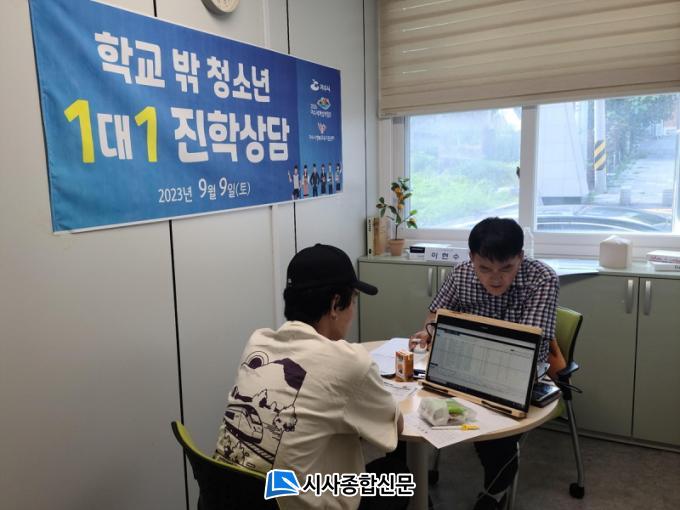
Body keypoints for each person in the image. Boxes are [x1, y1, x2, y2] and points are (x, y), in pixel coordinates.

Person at [215, 244, 407, 510]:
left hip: (229, 497)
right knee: (397, 477)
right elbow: (395, 427)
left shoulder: (258, 342)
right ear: (335, 304)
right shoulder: (349, 361)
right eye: (353, 300)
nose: (353, 311)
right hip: (291, 500)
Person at [410, 217, 559, 510]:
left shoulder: (542, 279)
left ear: (520, 257)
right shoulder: (461, 274)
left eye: (506, 268)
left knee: (496, 437)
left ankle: (494, 493)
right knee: (411, 413)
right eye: (485, 268)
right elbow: (435, 316)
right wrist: (429, 333)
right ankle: (412, 493)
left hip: (516, 373)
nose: (495, 279)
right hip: (461, 367)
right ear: (471, 258)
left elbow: (529, 347)